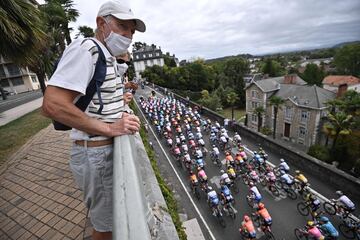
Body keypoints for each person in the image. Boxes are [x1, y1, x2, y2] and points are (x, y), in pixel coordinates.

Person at [42, 1, 145, 239]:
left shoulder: (106, 56)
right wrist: (109, 128)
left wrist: (120, 107)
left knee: (109, 225)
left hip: (100, 155)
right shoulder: (86, 48)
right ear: (101, 23)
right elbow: (52, 104)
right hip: (96, 155)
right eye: (122, 26)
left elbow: (98, 104)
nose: (128, 35)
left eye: (131, 31)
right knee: (107, 229)